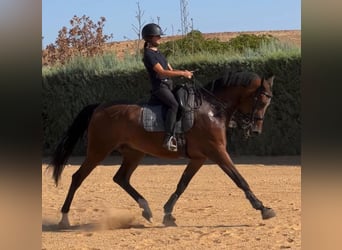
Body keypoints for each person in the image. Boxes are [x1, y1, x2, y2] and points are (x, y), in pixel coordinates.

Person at [142, 23, 193, 152]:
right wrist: (182, 73)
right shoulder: (148, 55)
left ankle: (181, 133)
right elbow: (162, 72)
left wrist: (184, 71)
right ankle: (168, 138)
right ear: (149, 38)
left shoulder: (159, 53)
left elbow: (170, 69)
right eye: (157, 36)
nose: (160, 38)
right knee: (174, 105)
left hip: (168, 86)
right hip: (160, 88)